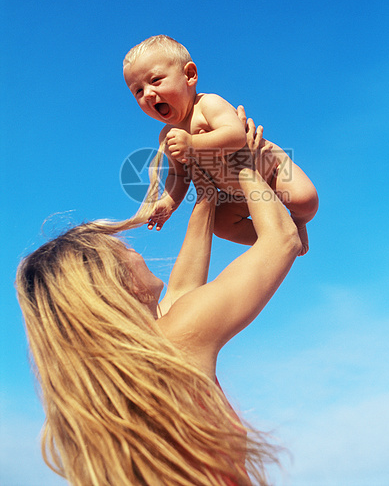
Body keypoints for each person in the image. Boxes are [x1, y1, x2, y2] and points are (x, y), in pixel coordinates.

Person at [16, 116, 302, 486]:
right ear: (118, 285)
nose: (136, 251)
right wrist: (244, 165)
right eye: (124, 250)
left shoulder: (123, 380)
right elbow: (282, 240)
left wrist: (207, 193)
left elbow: (182, 290)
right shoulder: (175, 343)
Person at [123, 35, 318, 255]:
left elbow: (235, 135)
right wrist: (169, 201)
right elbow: (178, 176)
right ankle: (277, 237)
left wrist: (193, 143)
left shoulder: (207, 105)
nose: (147, 93)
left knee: (306, 201)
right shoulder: (166, 136)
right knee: (221, 225)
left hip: (271, 171)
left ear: (189, 75)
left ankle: (298, 222)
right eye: (137, 91)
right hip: (236, 194)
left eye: (155, 80)